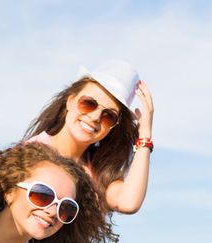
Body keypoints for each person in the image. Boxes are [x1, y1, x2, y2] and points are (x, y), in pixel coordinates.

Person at [24, 59, 154, 214]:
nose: (95, 117)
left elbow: (128, 203)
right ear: (70, 101)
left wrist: (145, 134)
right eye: (88, 103)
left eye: (109, 116)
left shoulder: (99, 172)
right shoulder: (30, 154)